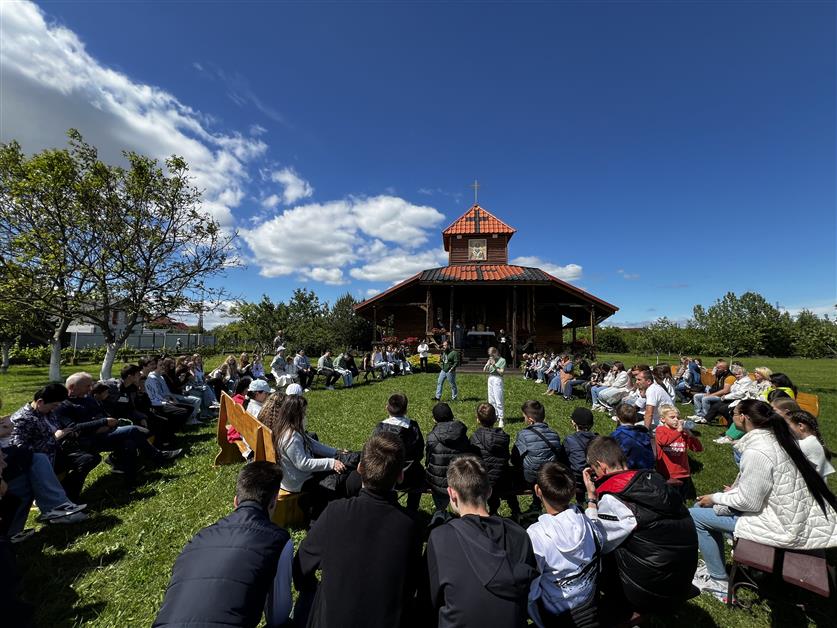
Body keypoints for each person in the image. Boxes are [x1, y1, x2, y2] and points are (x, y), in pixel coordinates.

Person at [690, 399, 837, 601]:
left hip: (783, 525)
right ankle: (718, 558)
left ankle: (718, 581)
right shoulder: (777, 438)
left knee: (695, 515)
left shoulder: (758, 451)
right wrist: (719, 499)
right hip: (792, 514)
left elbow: (749, 502)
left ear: (744, 418)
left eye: (733, 413)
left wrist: (715, 498)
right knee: (702, 506)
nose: (731, 417)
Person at [293, 433, 423, 628]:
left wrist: (316, 589)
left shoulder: (335, 512)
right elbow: (411, 585)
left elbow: (301, 566)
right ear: (400, 476)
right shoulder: (411, 525)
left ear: (360, 468)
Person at [153, 462, 293, 628]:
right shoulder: (278, 540)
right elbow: (278, 616)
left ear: (235, 502)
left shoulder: (199, 538)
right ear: (273, 503)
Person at [582, 436, 698, 619]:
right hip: (681, 580)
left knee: (586, 558)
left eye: (595, 471)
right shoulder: (657, 482)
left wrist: (591, 499)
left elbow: (596, 541)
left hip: (650, 592)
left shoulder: (615, 499)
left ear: (601, 466)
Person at [425, 456, 537, 627]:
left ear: (451, 494)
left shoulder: (440, 537)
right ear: (489, 491)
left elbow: (429, 601)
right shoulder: (520, 535)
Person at [527, 462, 603, 628]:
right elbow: (598, 532)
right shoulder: (587, 523)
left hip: (558, 616)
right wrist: (591, 500)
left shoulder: (536, 536)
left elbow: (531, 592)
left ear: (538, 491)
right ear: (573, 489)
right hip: (590, 605)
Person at [9, 383, 100, 504]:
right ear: (40, 402)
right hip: (40, 461)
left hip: (57, 452)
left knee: (90, 458)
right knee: (85, 459)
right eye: (53, 405)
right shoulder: (23, 419)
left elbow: (58, 427)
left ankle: (66, 495)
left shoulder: (48, 413)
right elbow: (19, 448)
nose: (54, 409)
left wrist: (68, 433)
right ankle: (64, 501)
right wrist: (55, 438)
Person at [272, 396, 347, 520]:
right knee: (336, 478)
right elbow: (303, 463)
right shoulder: (291, 437)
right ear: (296, 414)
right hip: (298, 481)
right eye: (304, 412)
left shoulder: (290, 429)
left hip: (294, 476)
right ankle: (324, 511)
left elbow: (313, 444)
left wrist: (335, 452)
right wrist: (331, 462)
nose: (305, 415)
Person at [371, 393, 424, 511]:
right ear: (406, 410)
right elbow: (419, 452)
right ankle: (412, 509)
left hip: (384, 475)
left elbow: (372, 452)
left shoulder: (380, 428)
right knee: (419, 475)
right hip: (409, 476)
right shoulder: (413, 427)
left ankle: (386, 506)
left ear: (387, 408)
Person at [512, 400, 565, 512]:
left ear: (530, 420)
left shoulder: (523, 435)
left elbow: (515, 458)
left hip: (530, 478)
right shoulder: (554, 434)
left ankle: (517, 509)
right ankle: (536, 504)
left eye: (524, 417)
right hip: (549, 474)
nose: (524, 419)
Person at [470, 403, 520, 520]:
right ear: (495, 418)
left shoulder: (474, 438)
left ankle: (491, 511)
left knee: (488, 479)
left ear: (478, 419)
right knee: (504, 476)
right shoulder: (504, 437)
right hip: (502, 478)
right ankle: (515, 511)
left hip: (483, 480)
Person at [425, 402, 472, 524]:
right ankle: (459, 513)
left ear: (434, 419)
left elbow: (428, 459)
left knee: (435, 482)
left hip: (437, 483)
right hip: (460, 479)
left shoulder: (432, 437)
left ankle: (440, 510)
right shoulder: (461, 433)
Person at [654, 405, 703, 501]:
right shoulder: (660, 430)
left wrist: (690, 435)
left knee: (681, 499)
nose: (676, 420)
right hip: (667, 472)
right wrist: (678, 431)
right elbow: (664, 441)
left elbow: (698, 448)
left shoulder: (682, 433)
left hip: (683, 472)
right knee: (668, 499)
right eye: (672, 417)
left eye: (678, 418)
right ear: (663, 419)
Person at [785, 409, 834, 479]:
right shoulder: (814, 441)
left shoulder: (804, 445)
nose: (784, 428)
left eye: (787, 425)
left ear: (800, 426)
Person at [563, 407, 597, 503]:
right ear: (591, 424)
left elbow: (563, 459)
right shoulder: (598, 439)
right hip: (594, 477)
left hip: (576, 479)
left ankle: (580, 502)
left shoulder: (569, 440)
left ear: (573, 423)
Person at [687, 359, 735, 423]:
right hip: (717, 394)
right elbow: (715, 386)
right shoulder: (719, 374)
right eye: (716, 368)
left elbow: (725, 391)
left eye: (718, 368)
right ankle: (698, 414)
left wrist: (711, 395)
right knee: (696, 396)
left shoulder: (730, 377)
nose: (716, 369)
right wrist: (709, 392)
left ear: (725, 369)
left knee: (705, 398)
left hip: (724, 397)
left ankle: (706, 416)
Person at [610, 404, 654, 471]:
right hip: (648, 472)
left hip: (629, 473)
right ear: (636, 418)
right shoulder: (644, 433)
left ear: (617, 419)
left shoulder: (616, 435)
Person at [483, 346, 506, 427]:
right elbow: (484, 370)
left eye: (492, 355)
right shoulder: (490, 360)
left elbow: (501, 372)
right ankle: (494, 416)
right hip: (490, 378)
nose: (491, 356)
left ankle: (501, 418)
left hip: (497, 379)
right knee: (491, 399)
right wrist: (487, 364)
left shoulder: (502, 360)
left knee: (498, 399)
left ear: (496, 352)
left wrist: (494, 365)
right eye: (490, 355)